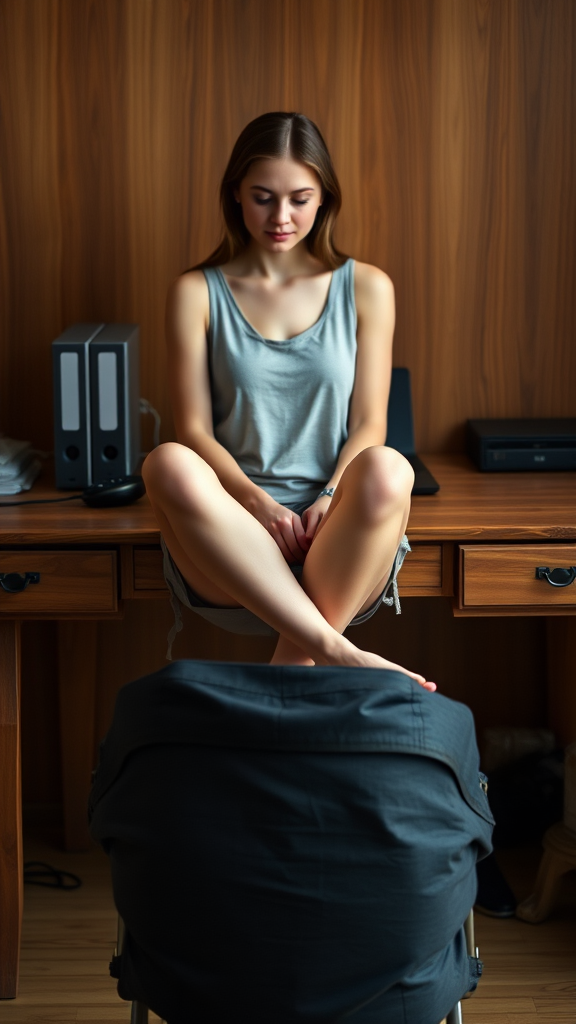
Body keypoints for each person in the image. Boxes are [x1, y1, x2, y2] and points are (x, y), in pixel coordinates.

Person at [142, 111, 434, 688]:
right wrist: (255, 503)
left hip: (340, 537)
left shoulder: (368, 286)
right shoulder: (195, 292)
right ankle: (334, 651)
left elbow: (370, 422)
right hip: (233, 538)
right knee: (167, 460)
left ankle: (294, 668)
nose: (281, 217)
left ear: (325, 199)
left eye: (300, 199)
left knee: (388, 467)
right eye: (262, 197)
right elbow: (196, 430)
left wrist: (329, 494)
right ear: (235, 196)